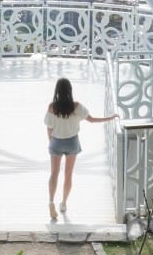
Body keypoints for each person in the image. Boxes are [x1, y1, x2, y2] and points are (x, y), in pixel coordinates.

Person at [43, 77, 118, 220]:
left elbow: (49, 128)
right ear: (70, 90)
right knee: (68, 174)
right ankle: (63, 203)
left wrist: (51, 142)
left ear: (57, 91)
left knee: (54, 174)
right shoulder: (76, 106)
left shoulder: (52, 107)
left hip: (56, 142)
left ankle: (51, 202)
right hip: (72, 142)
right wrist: (111, 117)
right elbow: (92, 120)